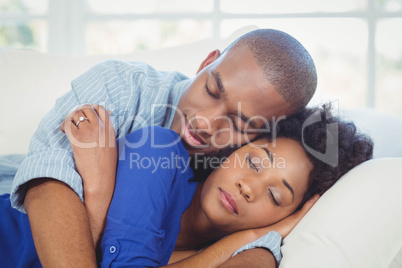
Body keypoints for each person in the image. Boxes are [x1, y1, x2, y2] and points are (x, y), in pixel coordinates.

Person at [9, 29, 318, 267]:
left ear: (262, 135)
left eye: (239, 123)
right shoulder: (123, 87)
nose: (205, 124)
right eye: (212, 91)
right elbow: (46, 185)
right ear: (207, 62)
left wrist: (99, 184)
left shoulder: (244, 181)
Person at [0, 103, 373, 267]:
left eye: (275, 196)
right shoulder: (159, 154)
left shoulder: (252, 254)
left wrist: (254, 239)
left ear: (293, 215)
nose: (249, 187)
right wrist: (245, 236)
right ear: (234, 150)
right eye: (254, 162)